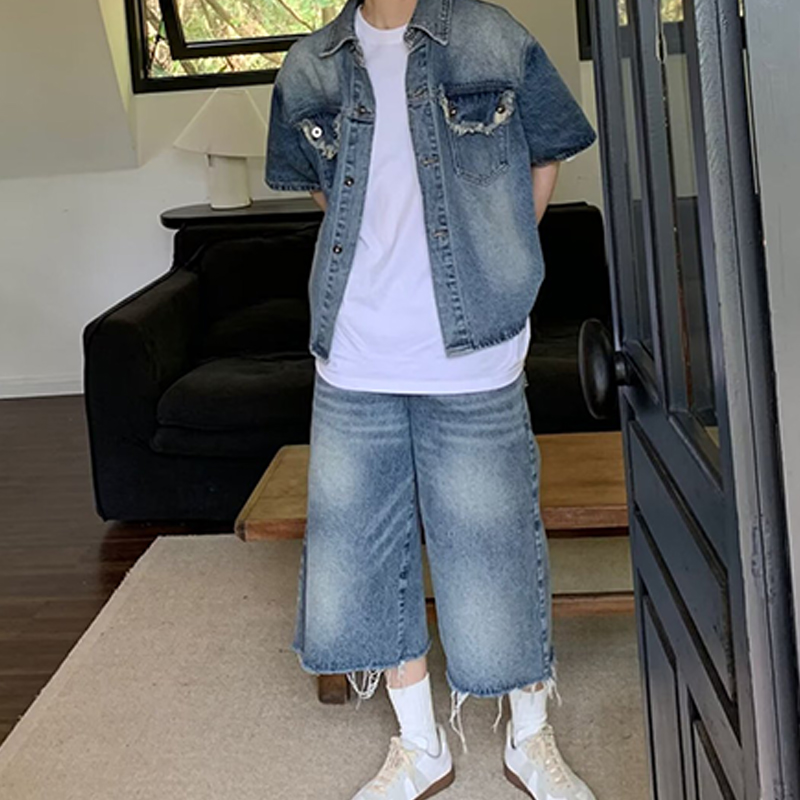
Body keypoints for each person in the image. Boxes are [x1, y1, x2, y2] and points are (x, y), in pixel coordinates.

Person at [265, 0, 598, 797]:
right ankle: (420, 745)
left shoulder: (494, 38)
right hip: (355, 357)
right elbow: (327, 195)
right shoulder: (309, 66)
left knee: (495, 548)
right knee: (363, 551)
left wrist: (500, 259)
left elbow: (547, 152)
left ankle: (529, 737)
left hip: (474, 354)